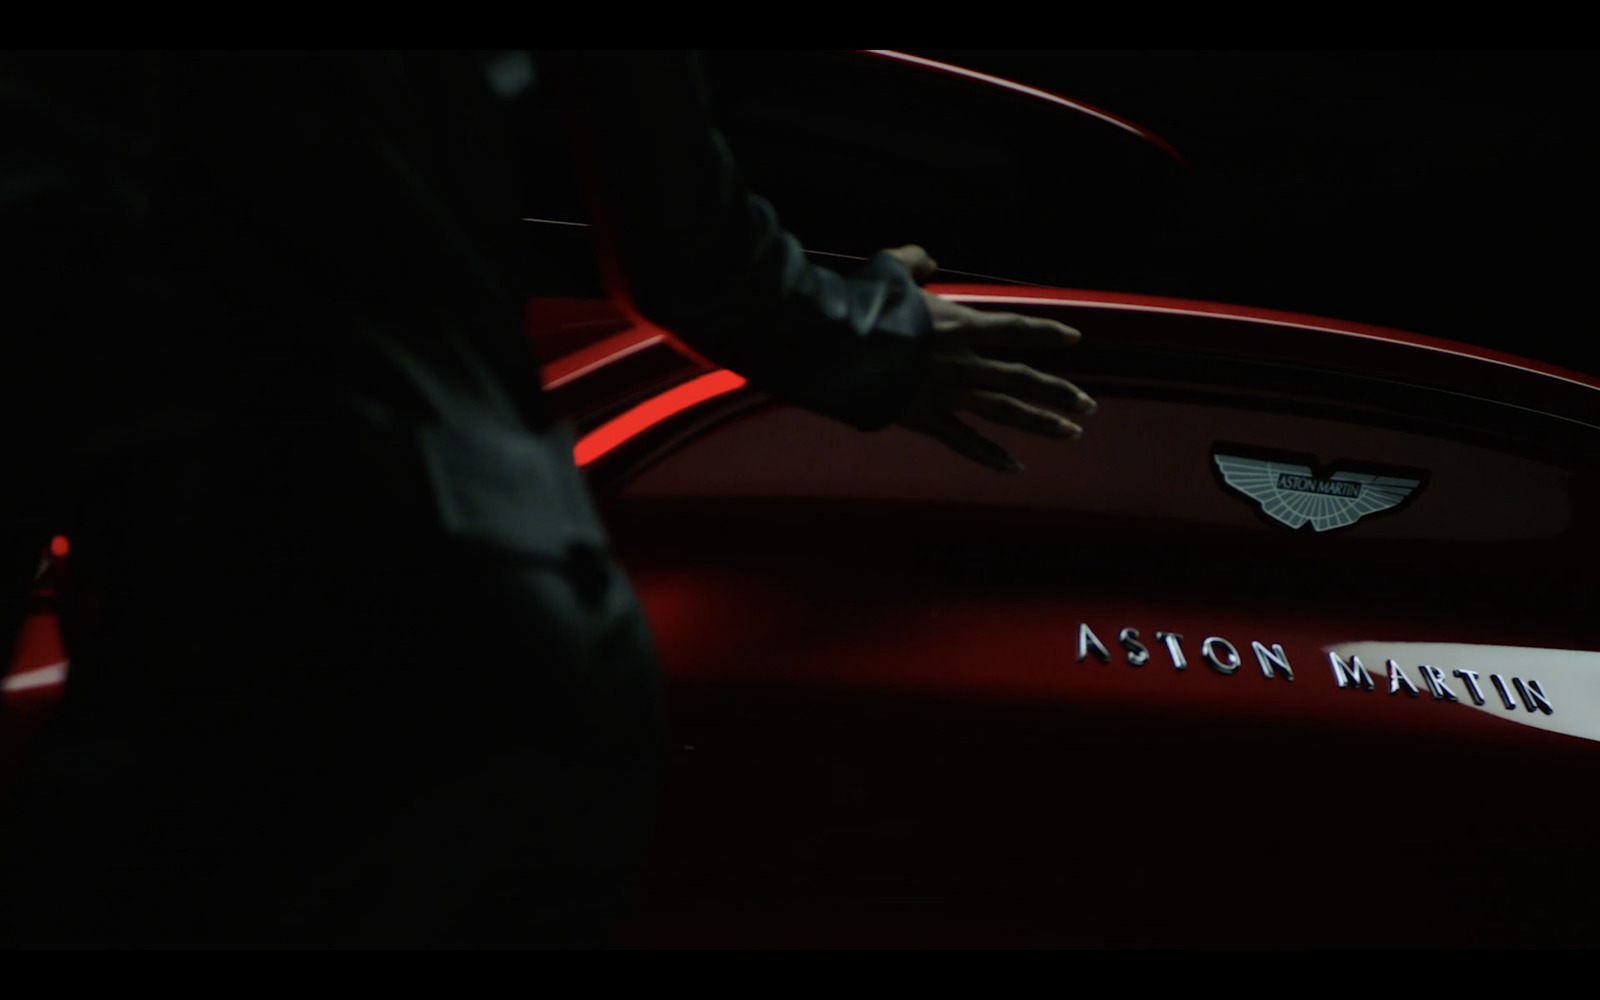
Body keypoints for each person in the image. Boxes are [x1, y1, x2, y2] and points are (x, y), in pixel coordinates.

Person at [0, 51, 1093, 948]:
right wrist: (874, 330)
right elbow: (692, 252)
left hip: (275, 611)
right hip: (551, 623)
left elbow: (51, 268)